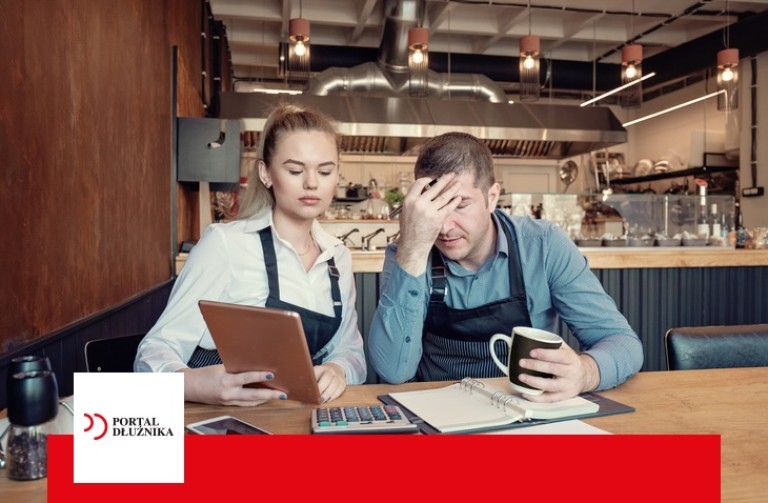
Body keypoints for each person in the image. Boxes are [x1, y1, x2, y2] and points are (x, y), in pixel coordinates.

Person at [367, 132, 643, 403]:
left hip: (527, 411)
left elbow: (622, 342)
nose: (445, 227)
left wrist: (586, 372)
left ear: (492, 196)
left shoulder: (543, 245)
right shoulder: (408, 252)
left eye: (460, 205)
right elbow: (393, 371)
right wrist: (413, 251)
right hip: (437, 413)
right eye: (434, 207)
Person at [135, 104, 367, 405]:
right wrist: (195, 385)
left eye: (325, 171)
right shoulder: (226, 245)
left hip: (297, 418)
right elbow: (152, 352)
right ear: (266, 173)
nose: (312, 183)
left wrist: (339, 369)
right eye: (295, 170)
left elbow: (351, 352)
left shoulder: (338, 257)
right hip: (223, 422)